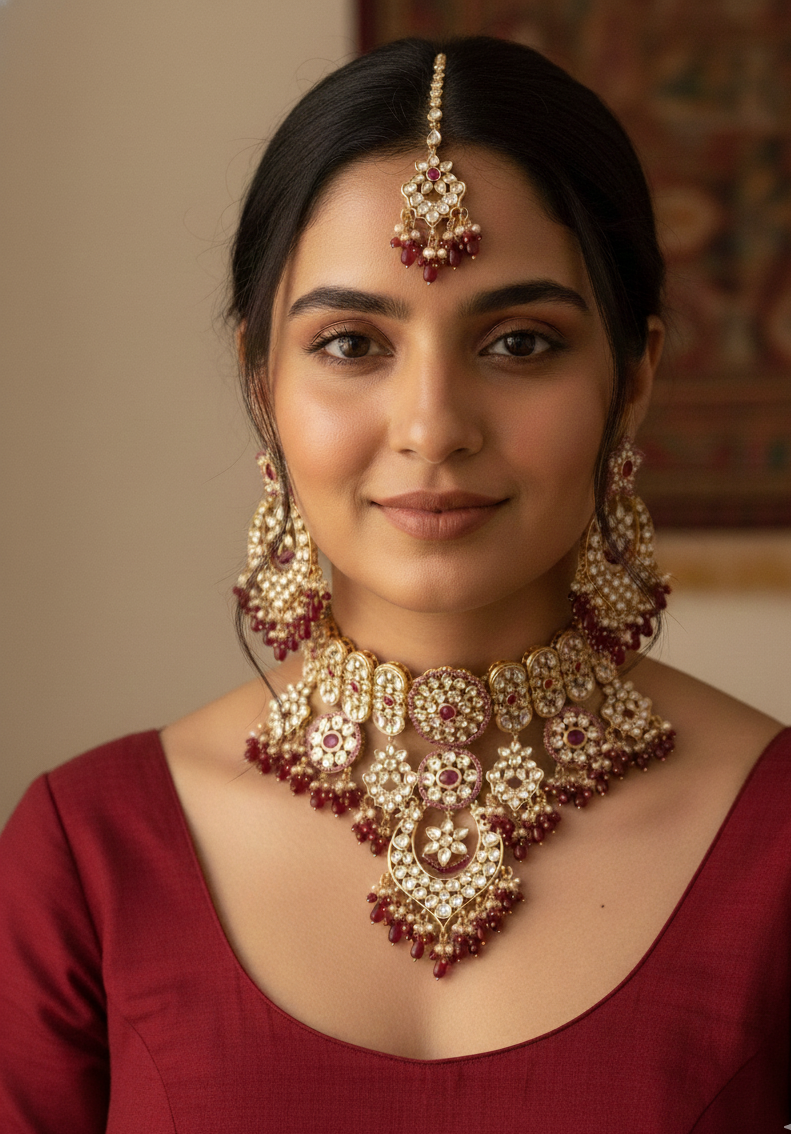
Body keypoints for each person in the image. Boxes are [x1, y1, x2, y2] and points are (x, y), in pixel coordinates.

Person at [0, 35, 788, 1134]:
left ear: (634, 376)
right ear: (262, 382)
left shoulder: (774, 841)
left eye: (519, 343)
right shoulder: (91, 853)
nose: (431, 426)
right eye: (351, 343)